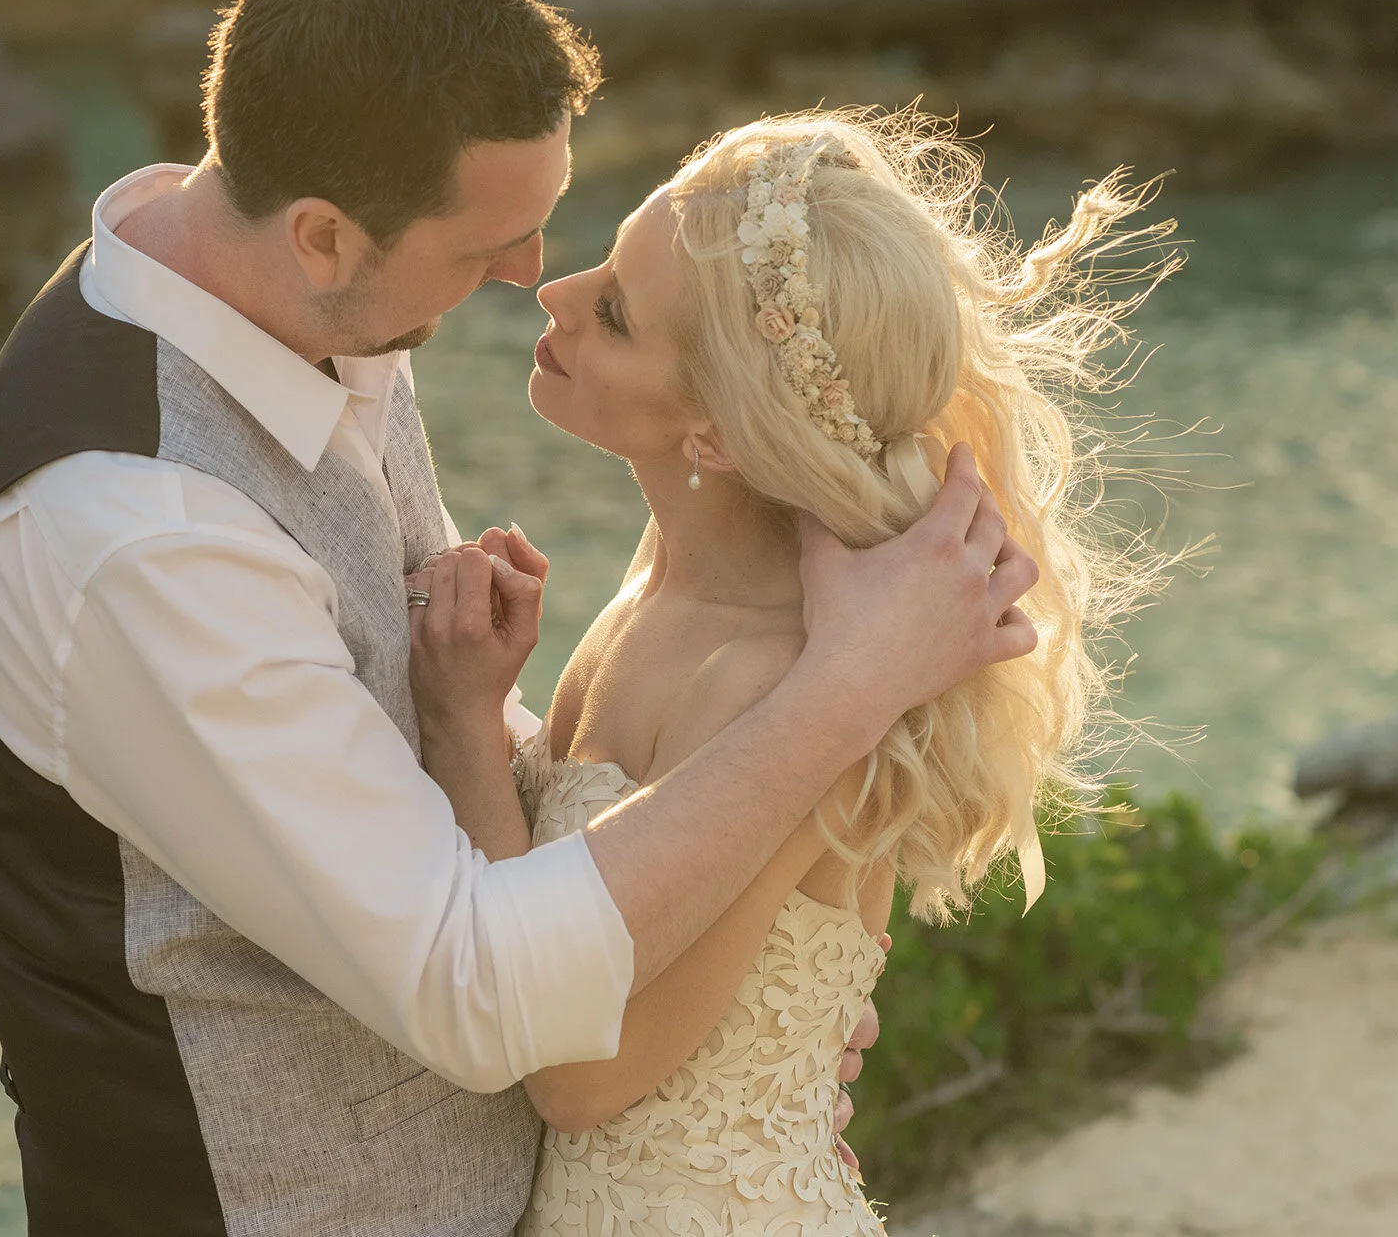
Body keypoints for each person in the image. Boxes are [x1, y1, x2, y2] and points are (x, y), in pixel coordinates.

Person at [0, 0, 1039, 1237]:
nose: (527, 280)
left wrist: (743, 1055)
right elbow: (480, 981)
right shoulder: (134, 534)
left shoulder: (315, 303)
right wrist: (852, 684)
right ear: (324, 234)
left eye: (554, 231)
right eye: (481, 247)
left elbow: (391, 765)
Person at [410, 110, 1167, 1231]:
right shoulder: (655, 590)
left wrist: (461, 726)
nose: (553, 293)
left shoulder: (774, 674)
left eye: (613, 310)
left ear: (713, 432)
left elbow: (577, 1076)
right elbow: (538, 909)